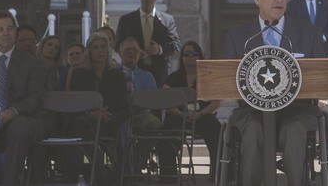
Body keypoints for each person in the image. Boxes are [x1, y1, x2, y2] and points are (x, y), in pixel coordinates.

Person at [223, 0, 326, 186]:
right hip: (252, 113)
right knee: (252, 133)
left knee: (295, 131)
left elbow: (321, 76)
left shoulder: (310, 34)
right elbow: (225, 80)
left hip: (297, 110)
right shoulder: (238, 37)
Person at [65, 32, 129, 183]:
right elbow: (72, 105)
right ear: (89, 51)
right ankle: (100, 173)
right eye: (95, 47)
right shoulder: (79, 74)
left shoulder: (117, 75)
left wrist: (107, 116)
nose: (100, 51)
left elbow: (124, 109)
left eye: (103, 47)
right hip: (82, 121)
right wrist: (90, 113)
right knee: (82, 127)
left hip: (107, 124)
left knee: (83, 131)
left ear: (108, 51)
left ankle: (76, 175)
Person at [158, 41, 221, 182]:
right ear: (182, 57)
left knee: (215, 128)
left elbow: (217, 102)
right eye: (186, 54)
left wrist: (200, 114)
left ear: (200, 56)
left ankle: (217, 173)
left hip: (202, 116)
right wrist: (179, 114)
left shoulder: (208, 76)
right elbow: (165, 99)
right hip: (178, 116)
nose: (190, 57)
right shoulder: (174, 77)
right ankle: (169, 176)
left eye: (194, 53)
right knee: (166, 129)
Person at [0, 11, 45, 185]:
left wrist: (13, 111)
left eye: (9, 28)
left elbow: (36, 98)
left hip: (19, 118)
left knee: (20, 128)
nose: (5, 33)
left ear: (16, 33)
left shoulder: (32, 62)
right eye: (0, 29)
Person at [116, 0, 182, 87]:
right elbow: (117, 44)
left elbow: (176, 45)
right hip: (133, 72)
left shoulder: (167, 20)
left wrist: (159, 49)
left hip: (159, 72)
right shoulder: (126, 20)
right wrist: (134, 52)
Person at [118, 37, 161, 174]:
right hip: (118, 114)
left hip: (139, 114)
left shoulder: (147, 76)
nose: (131, 53)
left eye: (135, 51)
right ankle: (121, 167)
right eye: (127, 50)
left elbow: (153, 100)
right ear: (120, 53)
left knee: (154, 123)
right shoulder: (113, 72)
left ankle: (135, 165)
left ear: (140, 54)